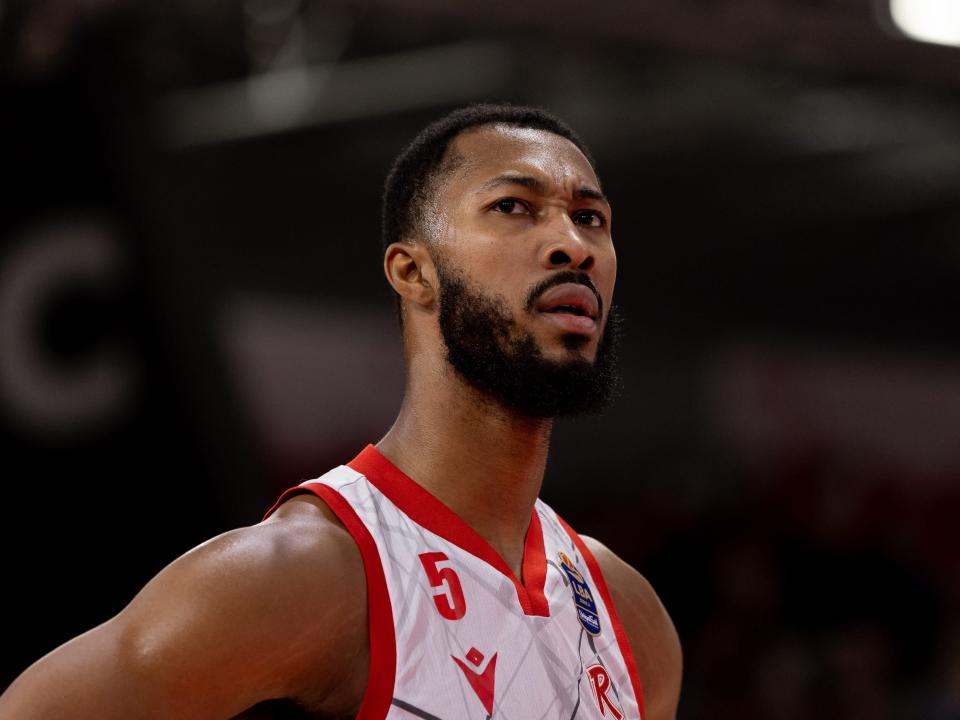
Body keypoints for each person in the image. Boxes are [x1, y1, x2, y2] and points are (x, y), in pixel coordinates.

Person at [0, 104, 681, 719]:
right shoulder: (309, 573)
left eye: (590, 217)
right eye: (514, 207)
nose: (574, 244)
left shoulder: (631, 616)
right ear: (413, 272)